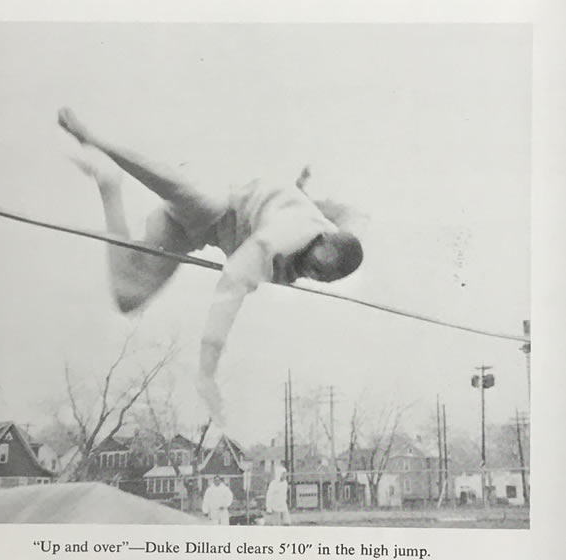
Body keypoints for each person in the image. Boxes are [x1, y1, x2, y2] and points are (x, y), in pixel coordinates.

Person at [57, 107, 363, 426]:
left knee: (126, 298)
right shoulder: (287, 233)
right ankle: (95, 140)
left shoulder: (327, 240)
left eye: (318, 276)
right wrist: (206, 372)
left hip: (202, 234)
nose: (308, 275)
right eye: (310, 266)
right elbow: (232, 283)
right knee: (206, 205)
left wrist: (304, 188)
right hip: (214, 201)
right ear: (318, 238)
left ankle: (109, 186)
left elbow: (350, 226)